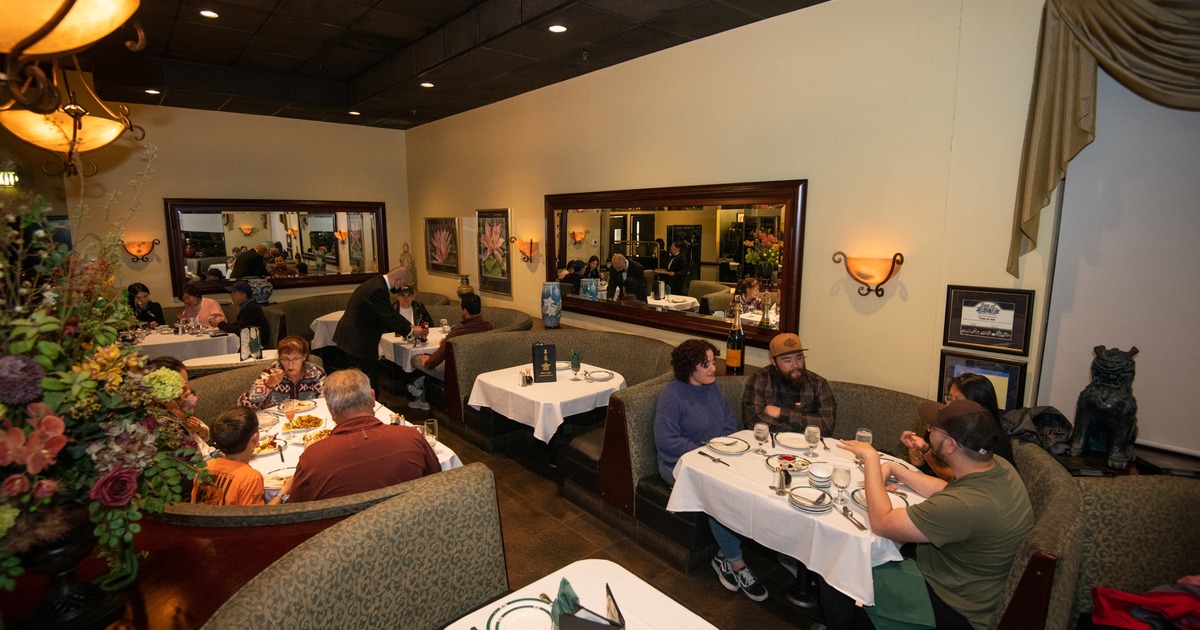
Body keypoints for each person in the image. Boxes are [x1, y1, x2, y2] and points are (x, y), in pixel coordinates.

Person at [829, 399, 1034, 630]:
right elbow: (946, 489)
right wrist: (896, 469)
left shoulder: (963, 507)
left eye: (933, 429)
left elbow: (882, 522)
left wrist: (872, 459)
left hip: (952, 607)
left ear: (950, 445)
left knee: (841, 563)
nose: (927, 432)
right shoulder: (998, 467)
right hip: (976, 590)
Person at [654, 339, 768, 602]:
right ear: (688, 368)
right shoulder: (672, 395)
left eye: (712, 361)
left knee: (748, 482)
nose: (712, 368)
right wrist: (704, 451)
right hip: (677, 464)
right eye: (704, 363)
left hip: (714, 458)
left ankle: (724, 555)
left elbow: (728, 422)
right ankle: (736, 564)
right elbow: (666, 441)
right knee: (716, 494)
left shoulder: (712, 388)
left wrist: (724, 448)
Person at [284, 369, 440, 503]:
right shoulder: (411, 437)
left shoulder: (312, 458)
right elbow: (437, 483)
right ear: (372, 397)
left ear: (330, 409)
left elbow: (296, 514)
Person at [904, 373, 1014, 480]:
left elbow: (962, 480)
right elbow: (931, 467)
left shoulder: (995, 441)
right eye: (950, 398)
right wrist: (919, 461)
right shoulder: (939, 424)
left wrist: (926, 451)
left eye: (958, 401)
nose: (950, 405)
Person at [331, 266, 412, 389]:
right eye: (403, 285)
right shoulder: (378, 289)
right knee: (367, 384)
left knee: (361, 382)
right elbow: (388, 316)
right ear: (398, 279)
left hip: (352, 340)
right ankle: (369, 407)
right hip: (357, 342)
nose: (401, 288)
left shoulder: (376, 283)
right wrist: (411, 329)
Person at [408, 293, 493, 409]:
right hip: (482, 368)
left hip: (457, 372)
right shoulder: (489, 327)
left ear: (465, 310)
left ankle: (422, 396)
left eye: (460, 308)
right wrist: (445, 344)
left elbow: (433, 362)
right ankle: (421, 385)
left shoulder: (457, 333)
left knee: (415, 358)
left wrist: (426, 361)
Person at [192, 407, 289, 506]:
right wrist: (284, 491)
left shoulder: (202, 468)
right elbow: (258, 517)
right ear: (255, 438)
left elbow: (195, 507)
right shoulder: (251, 478)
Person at [743, 333, 836, 434]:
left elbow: (827, 425)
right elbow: (753, 421)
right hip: (770, 445)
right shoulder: (761, 379)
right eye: (787, 360)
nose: (795, 365)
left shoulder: (818, 384)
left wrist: (781, 413)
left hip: (807, 447)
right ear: (773, 361)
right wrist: (797, 431)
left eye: (799, 358)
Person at [145, 356, 212, 458]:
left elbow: (206, 433)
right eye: (182, 385)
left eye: (187, 383)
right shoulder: (154, 419)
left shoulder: (184, 403)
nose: (187, 389)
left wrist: (198, 428)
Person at [238, 336, 325, 409]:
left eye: (295, 359)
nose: (290, 364)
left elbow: (326, 403)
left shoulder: (316, 374)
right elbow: (244, 406)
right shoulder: (270, 373)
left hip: (309, 420)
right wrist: (267, 385)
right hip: (276, 421)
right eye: (285, 359)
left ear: (304, 357)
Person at [217, 280, 271, 347]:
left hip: (255, 346)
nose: (231, 295)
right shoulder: (249, 306)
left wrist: (220, 324)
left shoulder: (251, 309)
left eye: (234, 292)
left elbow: (241, 330)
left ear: (243, 295)